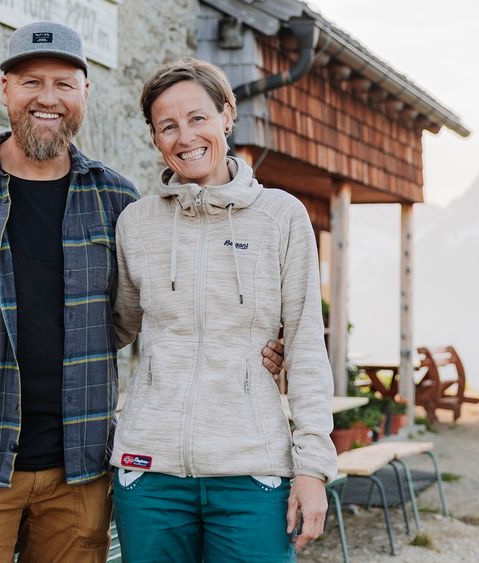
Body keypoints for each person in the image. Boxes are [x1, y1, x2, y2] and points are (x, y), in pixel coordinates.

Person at [0, 23, 285, 562]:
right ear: (4, 88)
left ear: (84, 95)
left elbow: (164, 304)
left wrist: (262, 339)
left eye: (64, 84)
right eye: (32, 82)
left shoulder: (117, 199)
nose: (47, 98)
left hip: (82, 472)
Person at [109, 57, 337, 562]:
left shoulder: (281, 217)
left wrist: (313, 466)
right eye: (167, 125)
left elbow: (304, 347)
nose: (185, 136)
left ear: (227, 116)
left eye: (197, 118)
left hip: (251, 472)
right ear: (154, 136)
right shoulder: (136, 223)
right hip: (150, 474)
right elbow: (113, 327)